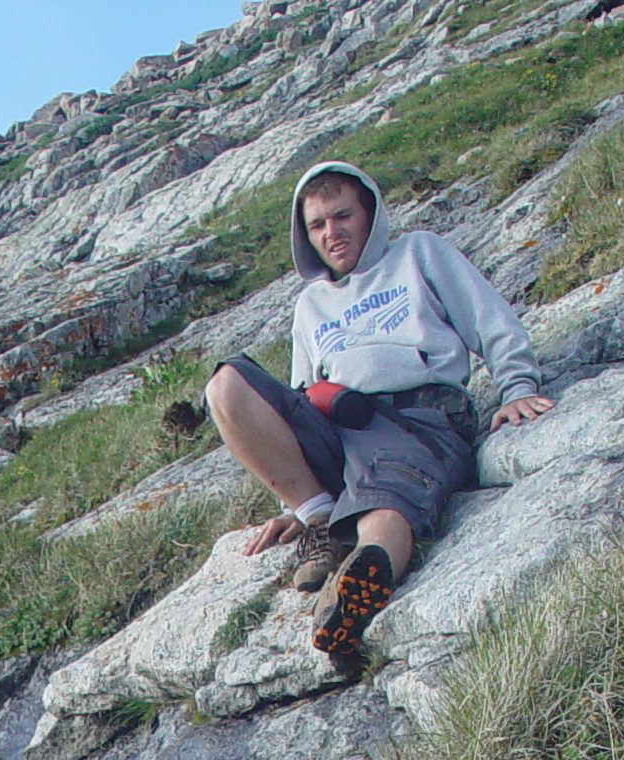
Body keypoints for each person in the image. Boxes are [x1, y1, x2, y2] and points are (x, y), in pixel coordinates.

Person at [204, 160, 554, 660]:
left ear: (369, 212)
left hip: (416, 420)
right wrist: (294, 507)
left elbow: (489, 319)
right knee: (226, 383)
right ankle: (323, 522)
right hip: (332, 425)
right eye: (317, 225)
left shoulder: (420, 254)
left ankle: (351, 596)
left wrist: (516, 385)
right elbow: (301, 393)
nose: (332, 233)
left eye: (342, 216)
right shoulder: (309, 306)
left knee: (383, 508)